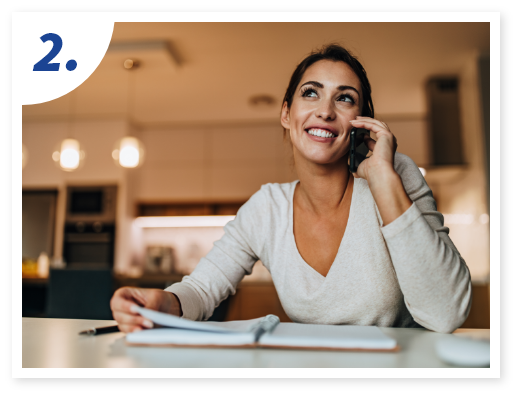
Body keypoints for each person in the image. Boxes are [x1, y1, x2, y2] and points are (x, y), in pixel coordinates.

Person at [110, 44, 472, 334]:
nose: (326, 111)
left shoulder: (396, 176)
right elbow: (202, 291)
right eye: (310, 93)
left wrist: (384, 179)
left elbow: (447, 314)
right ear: (287, 114)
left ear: (361, 124)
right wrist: (161, 303)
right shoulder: (267, 208)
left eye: (345, 98)